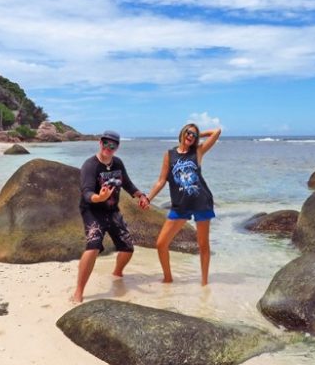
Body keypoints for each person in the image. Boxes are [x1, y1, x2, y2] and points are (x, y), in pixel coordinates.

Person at [73, 130, 150, 303]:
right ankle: (78, 291)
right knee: (93, 246)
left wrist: (141, 196)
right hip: (92, 211)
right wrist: (99, 198)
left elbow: (128, 184)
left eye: (113, 145)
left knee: (128, 248)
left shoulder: (117, 163)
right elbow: (86, 192)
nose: (109, 147)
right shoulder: (90, 165)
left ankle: (117, 273)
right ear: (100, 142)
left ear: (117, 147)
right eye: (106, 143)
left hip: (112, 211)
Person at [146, 124, 221, 286]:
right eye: (189, 132)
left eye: (194, 135)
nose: (191, 136)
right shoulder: (169, 154)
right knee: (161, 244)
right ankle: (167, 278)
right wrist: (148, 198)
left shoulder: (198, 151)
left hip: (201, 202)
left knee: (203, 245)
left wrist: (198, 135)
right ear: (182, 132)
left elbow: (217, 132)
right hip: (180, 205)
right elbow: (161, 181)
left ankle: (204, 283)